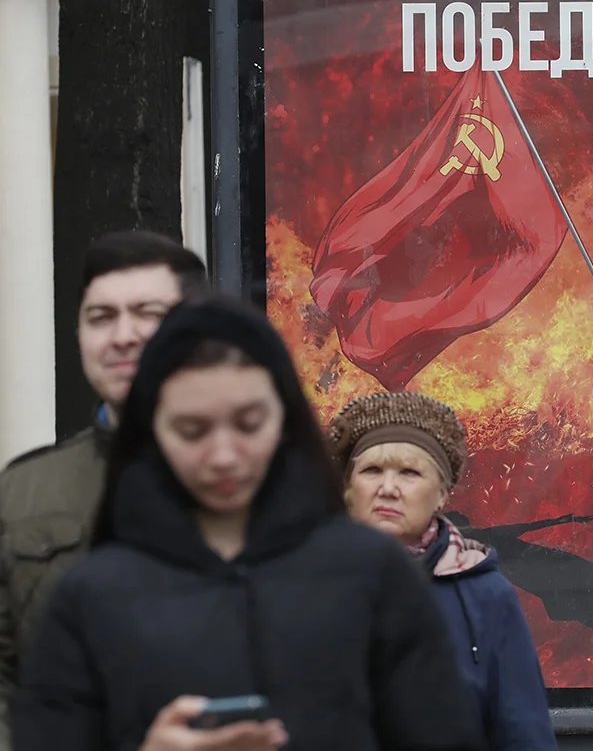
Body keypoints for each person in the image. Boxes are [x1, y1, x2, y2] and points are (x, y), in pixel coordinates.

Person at [13, 296, 483, 751]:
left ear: (285, 420)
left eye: (248, 424)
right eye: (192, 430)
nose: (223, 455)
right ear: (152, 432)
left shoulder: (373, 571)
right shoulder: (91, 594)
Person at [0, 230, 207, 749]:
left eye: (148, 314)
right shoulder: (25, 489)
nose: (123, 336)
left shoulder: (267, 476)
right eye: (101, 317)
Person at [329, 391, 556, 751]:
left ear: (441, 494)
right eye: (372, 470)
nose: (388, 488)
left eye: (409, 472)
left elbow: (524, 735)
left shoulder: (486, 596)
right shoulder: (305, 587)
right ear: (348, 488)